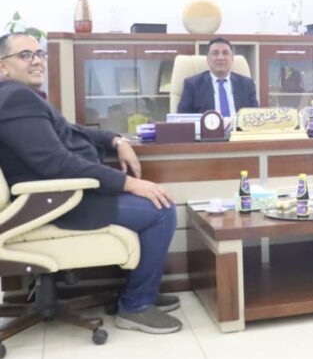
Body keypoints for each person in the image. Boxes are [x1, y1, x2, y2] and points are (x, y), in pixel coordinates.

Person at [0, 32, 182, 334]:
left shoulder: (22, 97)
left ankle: (141, 292)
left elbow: (72, 130)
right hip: (55, 202)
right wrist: (129, 183)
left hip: (62, 195)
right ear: (3, 67)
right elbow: (57, 163)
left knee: (155, 203)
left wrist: (116, 139)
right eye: (25, 55)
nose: (37, 61)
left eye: (39, 54)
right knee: (161, 209)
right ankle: (137, 304)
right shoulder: (15, 99)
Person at [177, 37, 258, 115]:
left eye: (225, 53)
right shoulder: (193, 85)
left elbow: (256, 116)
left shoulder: (247, 84)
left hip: (238, 125)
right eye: (215, 53)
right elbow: (182, 118)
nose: (220, 58)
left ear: (232, 58)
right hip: (207, 125)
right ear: (208, 59)